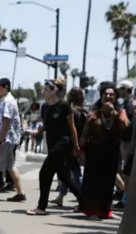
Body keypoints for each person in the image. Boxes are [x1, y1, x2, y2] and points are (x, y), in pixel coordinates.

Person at [26, 78, 81, 216]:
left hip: (63, 144)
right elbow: (45, 126)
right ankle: (85, 202)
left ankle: (41, 207)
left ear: (55, 91)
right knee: (64, 177)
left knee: (44, 173)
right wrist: (33, 131)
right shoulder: (45, 107)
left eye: (46, 89)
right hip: (51, 144)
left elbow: (71, 126)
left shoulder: (64, 105)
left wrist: (76, 145)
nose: (43, 91)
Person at [78, 83, 129, 219]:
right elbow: (85, 133)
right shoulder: (94, 112)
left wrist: (113, 113)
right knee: (93, 182)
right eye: (105, 94)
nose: (108, 96)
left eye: (111, 94)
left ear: (116, 97)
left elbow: (125, 126)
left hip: (111, 152)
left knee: (107, 182)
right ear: (101, 97)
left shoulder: (121, 112)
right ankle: (91, 211)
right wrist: (82, 152)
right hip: (94, 151)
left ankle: (105, 211)